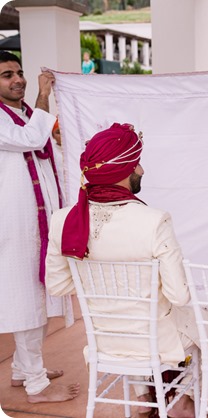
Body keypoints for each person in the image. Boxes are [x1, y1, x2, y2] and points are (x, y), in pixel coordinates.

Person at [45, 123, 208, 417]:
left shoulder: (61, 220)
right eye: (137, 164)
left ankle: (146, 399)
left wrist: (106, 289)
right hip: (156, 340)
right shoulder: (154, 221)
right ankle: (181, 400)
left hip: (106, 340)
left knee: (155, 325)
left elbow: (57, 286)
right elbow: (179, 295)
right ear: (122, 170)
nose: (142, 170)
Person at [0, 51, 79, 403]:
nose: (18, 79)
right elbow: (31, 139)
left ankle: (22, 369)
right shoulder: (19, 119)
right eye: (7, 75)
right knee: (26, 302)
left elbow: (51, 155)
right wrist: (45, 95)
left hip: (41, 222)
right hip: (15, 226)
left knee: (41, 296)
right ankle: (36, 386)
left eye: (19, 72)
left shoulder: (27, 115)